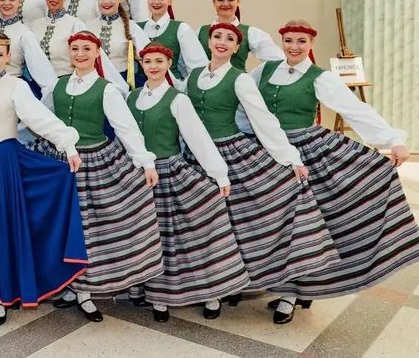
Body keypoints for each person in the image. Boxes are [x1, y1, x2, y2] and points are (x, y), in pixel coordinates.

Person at [253, 21, 419, 323]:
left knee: (302, 225)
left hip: (305, 152)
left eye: (301, 41)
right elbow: (241, 104)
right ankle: (281, 283)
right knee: (275, 222)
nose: (294, 47)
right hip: (267, 151)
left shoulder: (319, 77)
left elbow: (353, 109)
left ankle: (291, 294)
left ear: (311, 44)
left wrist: (392, 140)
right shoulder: (264, 71)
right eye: (289, 40)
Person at [182, 23, 338, 316]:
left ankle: (282, 286)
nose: (222, 42)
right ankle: (215, 289)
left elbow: (260, 118)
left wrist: (290, 157)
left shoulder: (240, 78)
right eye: (217, 37)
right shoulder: (192, 76)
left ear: (236, 47)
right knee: (205, 225)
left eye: (230, 39)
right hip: (195, 158)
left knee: (241, 221)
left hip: (230, 153)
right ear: (208, 42)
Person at [39, 32, 164, 323]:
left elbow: (125, 127)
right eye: (75, 49)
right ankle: (69, 284)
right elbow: (42, 120)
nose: (80, 54)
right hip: (59, 163)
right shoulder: (57, 86)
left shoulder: (106, 89)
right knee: (64, 226)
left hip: (94, 161)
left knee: (89, 228)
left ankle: (86, 290)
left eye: (87, 49)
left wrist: (145, 161)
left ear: (98, 53)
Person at [0, 32, 88, 327]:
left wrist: (68, 146)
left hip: (4, 163)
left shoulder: (17, 86)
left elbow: (38, 118)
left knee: (1, 227)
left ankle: (2, 298)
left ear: (8, 57)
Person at [127, 45, 250, 322]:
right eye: (148, 61)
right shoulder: (132, 97)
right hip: (141, 175)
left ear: (169, 63)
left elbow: (196, 137)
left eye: (159, 61)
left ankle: (211, 293)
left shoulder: (178, 99)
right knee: (153, 238)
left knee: (191, 234)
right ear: (141, 64)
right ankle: (159, 298)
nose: (153, 66)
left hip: (171, 171)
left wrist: (219, 174)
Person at [197, 0, 284, 71]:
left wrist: (254, 76)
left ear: (238, 1)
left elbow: (279, 62)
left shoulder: (251, 33)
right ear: (214, 2)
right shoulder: (200, 32)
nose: (225, 4)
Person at [0, 0, 57, 96]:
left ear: (20, 2)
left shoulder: (25, 34)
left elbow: (42, 71)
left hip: (12, 91)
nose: (6, 3)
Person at [84, 0, 150, 89]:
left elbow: (149, 58)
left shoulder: (132, 27)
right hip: (92, 84)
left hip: (121, 84)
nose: (106, 2)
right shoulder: (88, 26)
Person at [139, 0, 207, 80]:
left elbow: (197, 64)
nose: (156, 2)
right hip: (142, 85)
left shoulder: (181, 28)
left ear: (170, 1)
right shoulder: (137, 28)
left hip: (171, 84)